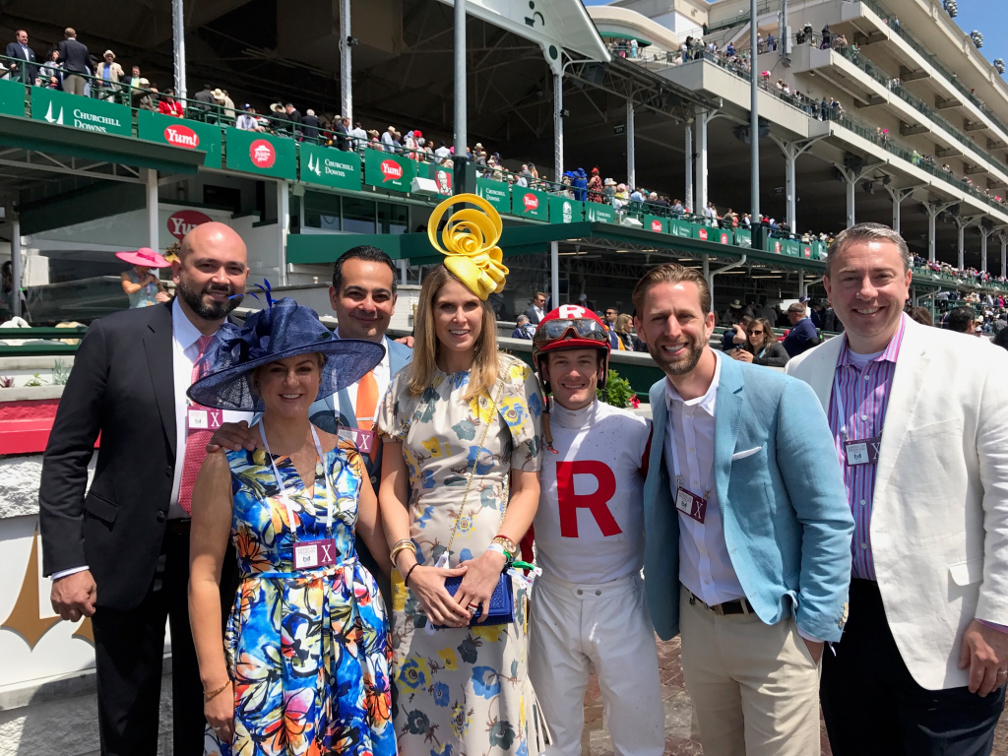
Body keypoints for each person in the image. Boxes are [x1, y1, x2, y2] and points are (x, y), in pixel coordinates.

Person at [786, 223, 1008, 756]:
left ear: (908, 282)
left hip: (949, 625)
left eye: (882, 277)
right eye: (850, 278)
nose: (867, 292)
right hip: (843, 624)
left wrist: (998, 618)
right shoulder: (799, 373)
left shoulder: (980, 366)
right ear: (829, 288)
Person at [39, 223, 251, 756]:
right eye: (207, 265)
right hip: (126, 548)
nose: (220, 279)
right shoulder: (114, 336)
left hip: (219, 552)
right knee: (126, 714)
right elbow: (66, 455)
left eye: (234, 269)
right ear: (177, 269)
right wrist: (67, 562)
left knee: (209, 707)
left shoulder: (255, 348)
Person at [633, 263, 854, 756]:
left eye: (685, 316)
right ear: (639, 327)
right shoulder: (660, 399)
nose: (672, 331)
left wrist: (815, 628)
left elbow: (829, 518)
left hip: (772, 626)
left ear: (709, 323)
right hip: (698, 626)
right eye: (658, 318)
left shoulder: (778, 395)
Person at [187, 297, 395, 756]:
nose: (292, 381)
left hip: (353, 639)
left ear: (321, 374)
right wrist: (214, 681)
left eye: (304, 367)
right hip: (268, 644)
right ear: (257, 379)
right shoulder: (227, 464)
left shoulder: (347, 457)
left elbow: (386, 548)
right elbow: (203, 576)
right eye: (277, 370)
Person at [376, 194, 543, 756]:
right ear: (428, 313)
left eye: (470, 305)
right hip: (420, 577)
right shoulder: (403, 386)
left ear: (485, 310)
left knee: (490, 716)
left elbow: (528, 485)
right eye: (446, 306)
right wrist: (409, 569)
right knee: (424, 718)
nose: (459, 317)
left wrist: (496, 557)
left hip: (489, 573)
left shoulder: (514, 379)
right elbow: (391, 486)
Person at [207, 245, 413, 613]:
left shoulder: (419, 367)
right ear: (333, 297)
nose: (369, 305)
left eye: (380, 296)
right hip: (304, 545)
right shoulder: (303, 364)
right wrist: (230, 438)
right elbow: (269, 432)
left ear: (394, 302)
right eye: (355, 293)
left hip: (401, 540)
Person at [527, 305, 664, 756]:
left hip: (622, 597)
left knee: (638, 733)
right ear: (542, 369)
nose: (573, 373)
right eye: (561, 361)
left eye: (585, 360)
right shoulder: (525, 431)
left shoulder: (632, 428)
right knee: (551, 736)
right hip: (552, 596)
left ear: (602, 366)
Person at [56, 28, 90, 96]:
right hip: (82, 74)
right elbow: (88, 62)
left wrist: (57, 61)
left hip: (69, 72)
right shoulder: (84, 47)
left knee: (70, 96)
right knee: (79, 97)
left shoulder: (63, 43)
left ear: (65, 36)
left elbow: (61, 57)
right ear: (75, 35)